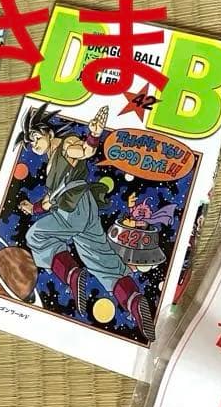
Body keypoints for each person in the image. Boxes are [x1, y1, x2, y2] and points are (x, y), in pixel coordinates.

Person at [16, 104, 156, 340]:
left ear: (48, 132)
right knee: (101, 259)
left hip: (74, 209)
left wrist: (94, 134)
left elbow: (84, 151)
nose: (34, 145)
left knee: (36, 235)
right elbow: (50, 201)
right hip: (84, 208)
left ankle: (71, 273)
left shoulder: (65, 145)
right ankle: (134, 301)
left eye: (36, 138)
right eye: (30, 143)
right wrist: (34, 208)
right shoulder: (52, 159)